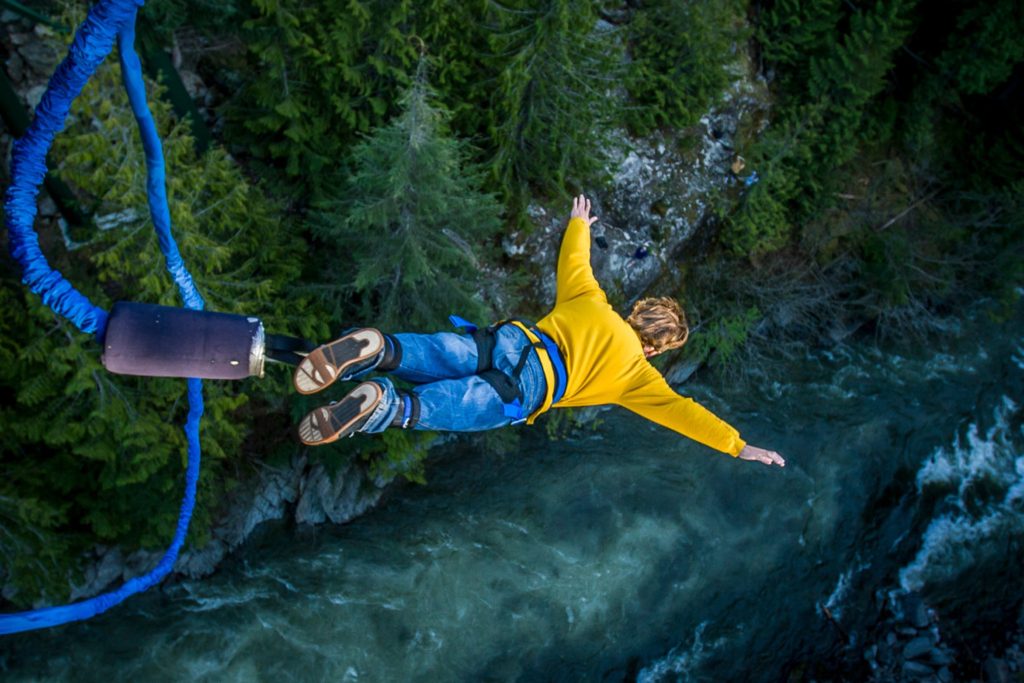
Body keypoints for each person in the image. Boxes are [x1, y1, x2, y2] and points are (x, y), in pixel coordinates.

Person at [293, 195, 785, 468]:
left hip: (512, 341)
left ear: (636, 311)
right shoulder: (638, 377)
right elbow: (684, 414)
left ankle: (379, 348)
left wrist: (580, 223)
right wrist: (738, 445)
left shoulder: (591, 300)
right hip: (530, 388)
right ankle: (384, 404)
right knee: (445, 407)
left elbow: (575, 260)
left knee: (446, 351)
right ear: (655, 348)